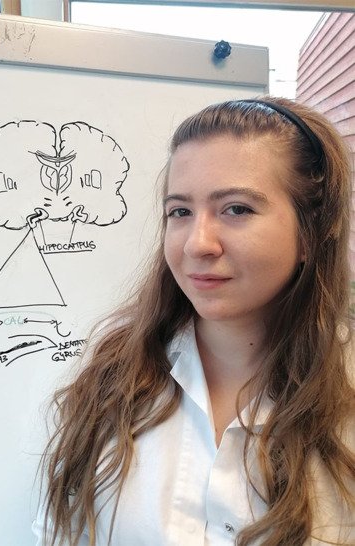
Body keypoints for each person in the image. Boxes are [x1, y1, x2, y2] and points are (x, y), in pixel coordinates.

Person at [33, 97, 355, 545]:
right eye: (180, 212)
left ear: (311, 231)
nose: (197, 244)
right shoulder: (111, 385)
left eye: (236, 209)